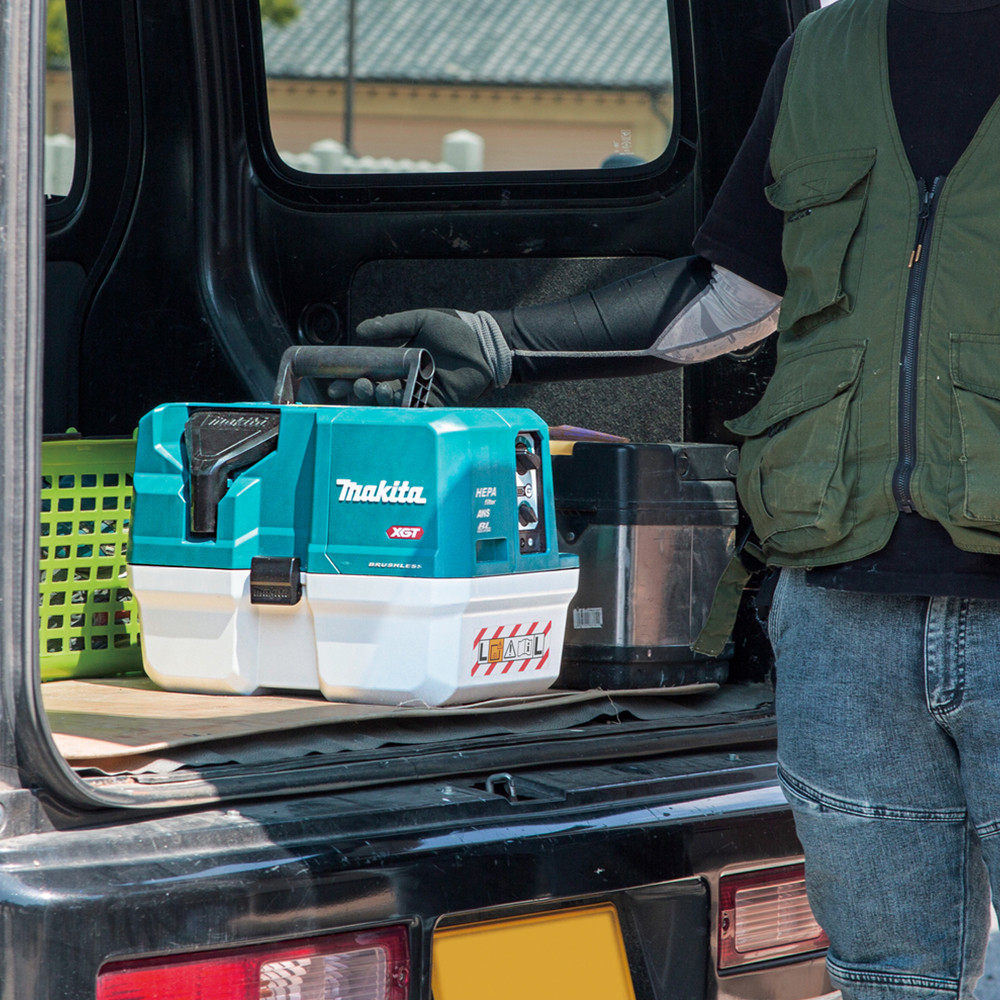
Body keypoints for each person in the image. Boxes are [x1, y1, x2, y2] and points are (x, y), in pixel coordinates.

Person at [352, 2, 1000, 997]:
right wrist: (503, 341)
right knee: (889, 981)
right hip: (842, 624)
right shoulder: (824, 52)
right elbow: (730, 293)